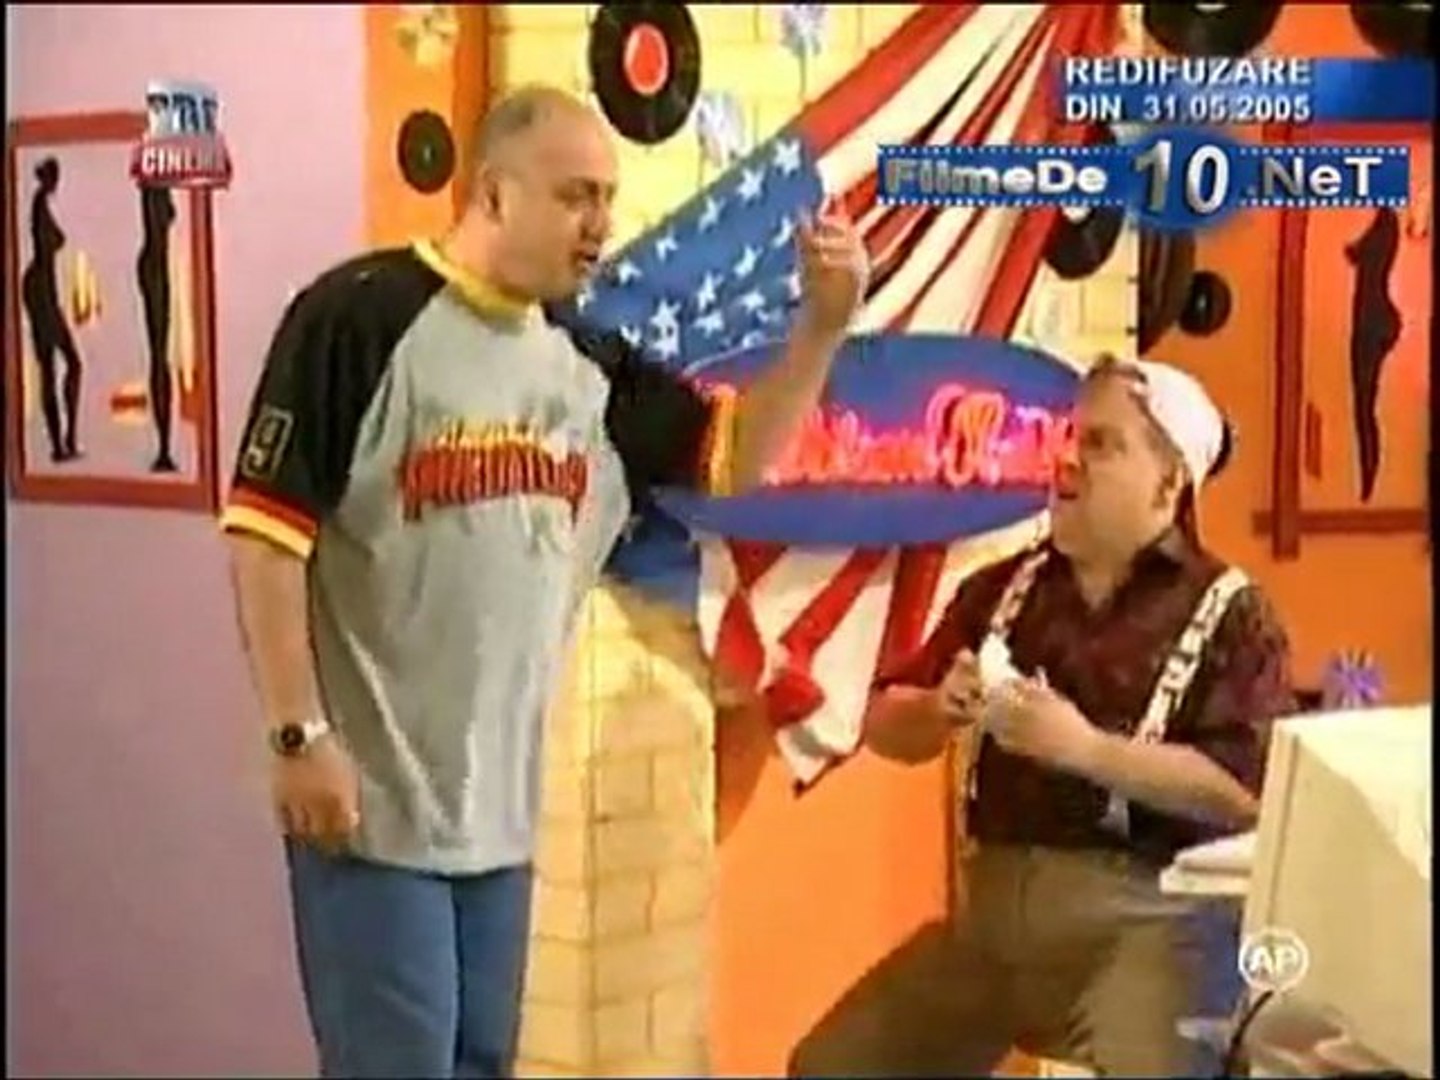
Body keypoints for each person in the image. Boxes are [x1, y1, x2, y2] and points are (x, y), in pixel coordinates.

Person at [219, 84, 866, 1079]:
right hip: (371, 815)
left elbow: (733, 458)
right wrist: (296, 733)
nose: (599, 223)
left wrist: (821, 329)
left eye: (606, 198)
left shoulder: (587, 364)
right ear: (493, 194)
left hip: (500, 823)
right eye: (575, 196)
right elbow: (265, 537)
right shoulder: (359, 318)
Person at [789, 355, 1298, 1078]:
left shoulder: (1232, 613)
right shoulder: (1003, 590)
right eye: (1069, 437)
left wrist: (1087, 750)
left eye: (1101, 444)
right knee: (831, 1068)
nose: (1068, 460)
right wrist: (935, 710)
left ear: (1169, 480)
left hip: (1148, 935)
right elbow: (884, 722)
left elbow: (1246, 792)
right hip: (991, 930)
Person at [21, 156, 84, 463]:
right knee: (63, 364)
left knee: (58, 366)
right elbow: (53, 240)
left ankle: (64, 441)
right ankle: (62, 441)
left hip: (43, 289)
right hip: (41, 293)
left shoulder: (41, 204)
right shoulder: (39, 204)